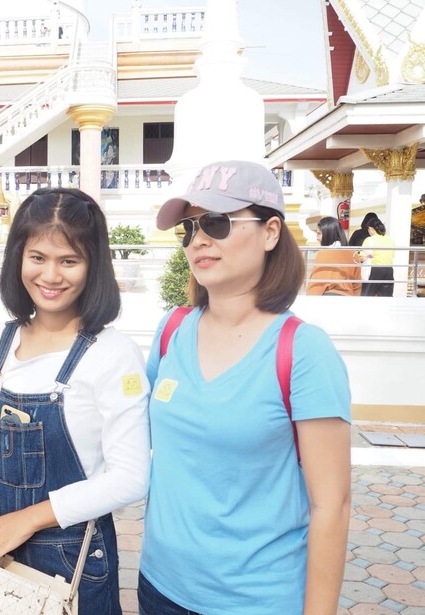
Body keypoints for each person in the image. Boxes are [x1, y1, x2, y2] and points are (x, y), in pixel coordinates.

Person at [139, 161, 351, 615]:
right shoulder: (172, 329)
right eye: (189, 228)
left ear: (271, 232)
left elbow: (331, 505)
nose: (198, 240)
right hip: (159, 586)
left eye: (216, 222)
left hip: (256, 600)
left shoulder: (304, 351)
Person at [0, 187, 151, 613]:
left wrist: (26, 520)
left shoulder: (113, 354)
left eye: (69, 261)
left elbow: (130, 478)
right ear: (18, 257)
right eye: (38, 257)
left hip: (73, 560)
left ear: (93, 266)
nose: (50, 276)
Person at [306, 215, 361, 296]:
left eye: (319, 234)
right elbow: (357, 284)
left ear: (328, 234)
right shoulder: (353, 254)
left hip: (327, 298)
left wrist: (309, 298)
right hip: (348, 297)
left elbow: (316, 284)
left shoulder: (323, 254)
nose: (317, 238)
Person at [358, 216, 395, 296]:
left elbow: (362, 258)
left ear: (370, 228)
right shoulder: (390, 240)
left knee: (367, 295)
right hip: (389, 270)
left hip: (374, 270)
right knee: (386, 297)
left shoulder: (369, 240)